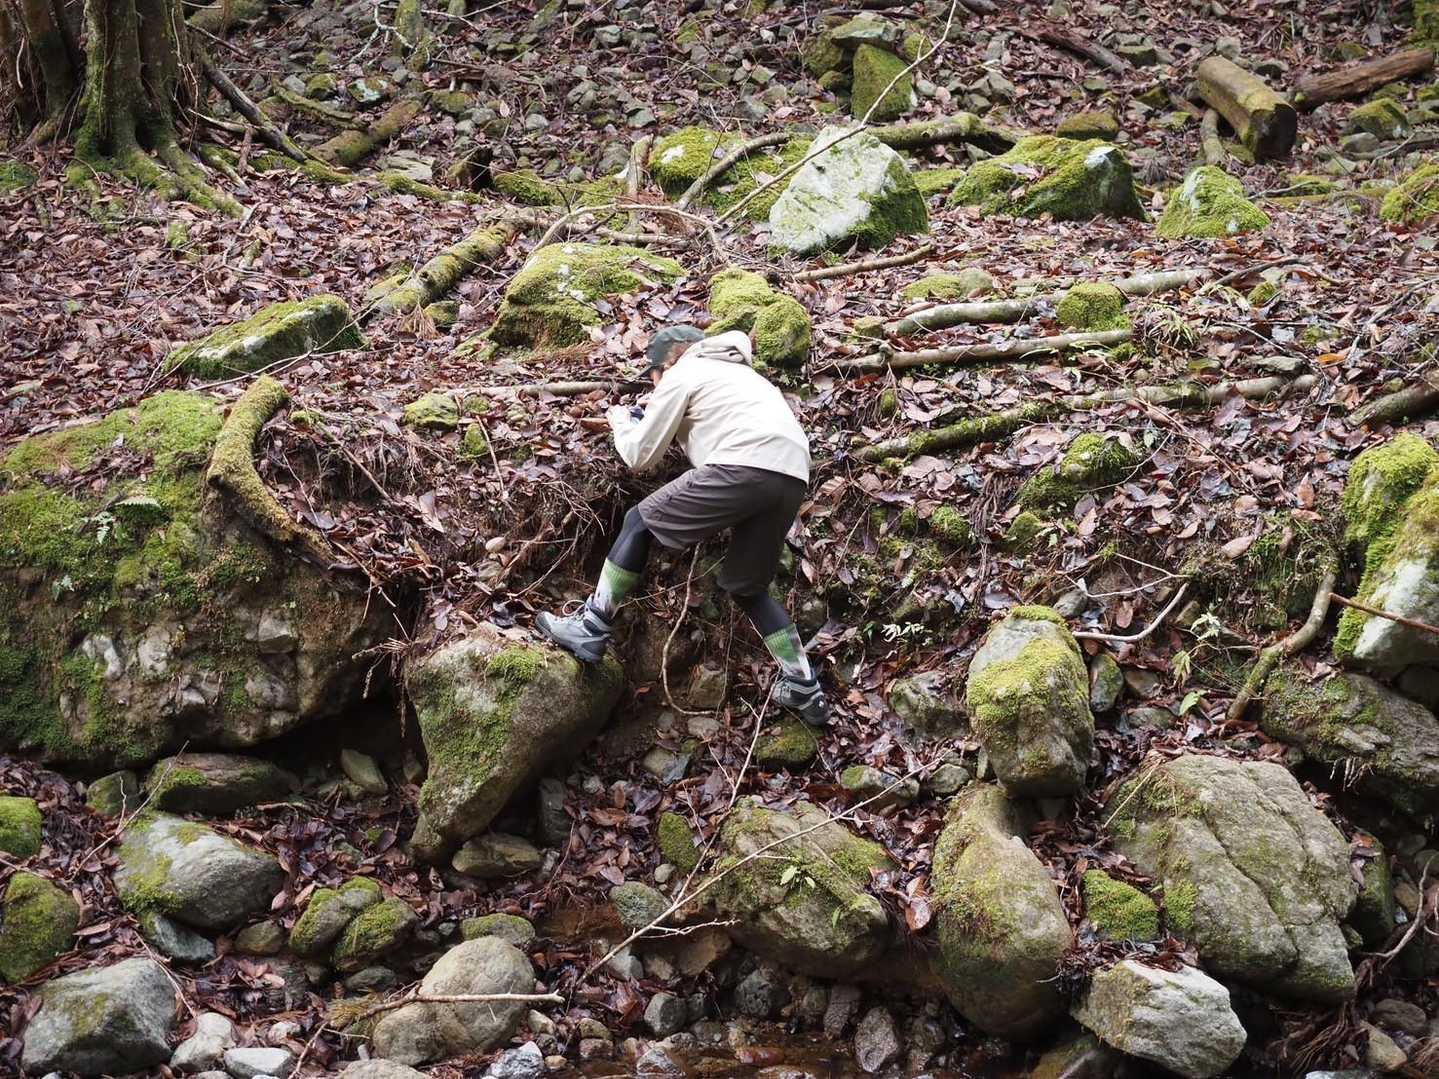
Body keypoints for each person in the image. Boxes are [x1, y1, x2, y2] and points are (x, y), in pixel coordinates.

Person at [536, 324, 829, 726]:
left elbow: (638, 455)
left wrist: (621, 420)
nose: (655, 385)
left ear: (668, 363)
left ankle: (591, 624)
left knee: (638, 522)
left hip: (742, 464)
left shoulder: (684, 372)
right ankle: (804, 684)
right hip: (792, 475)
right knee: (747, 587)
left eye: (654, 376)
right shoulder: (745, 377)